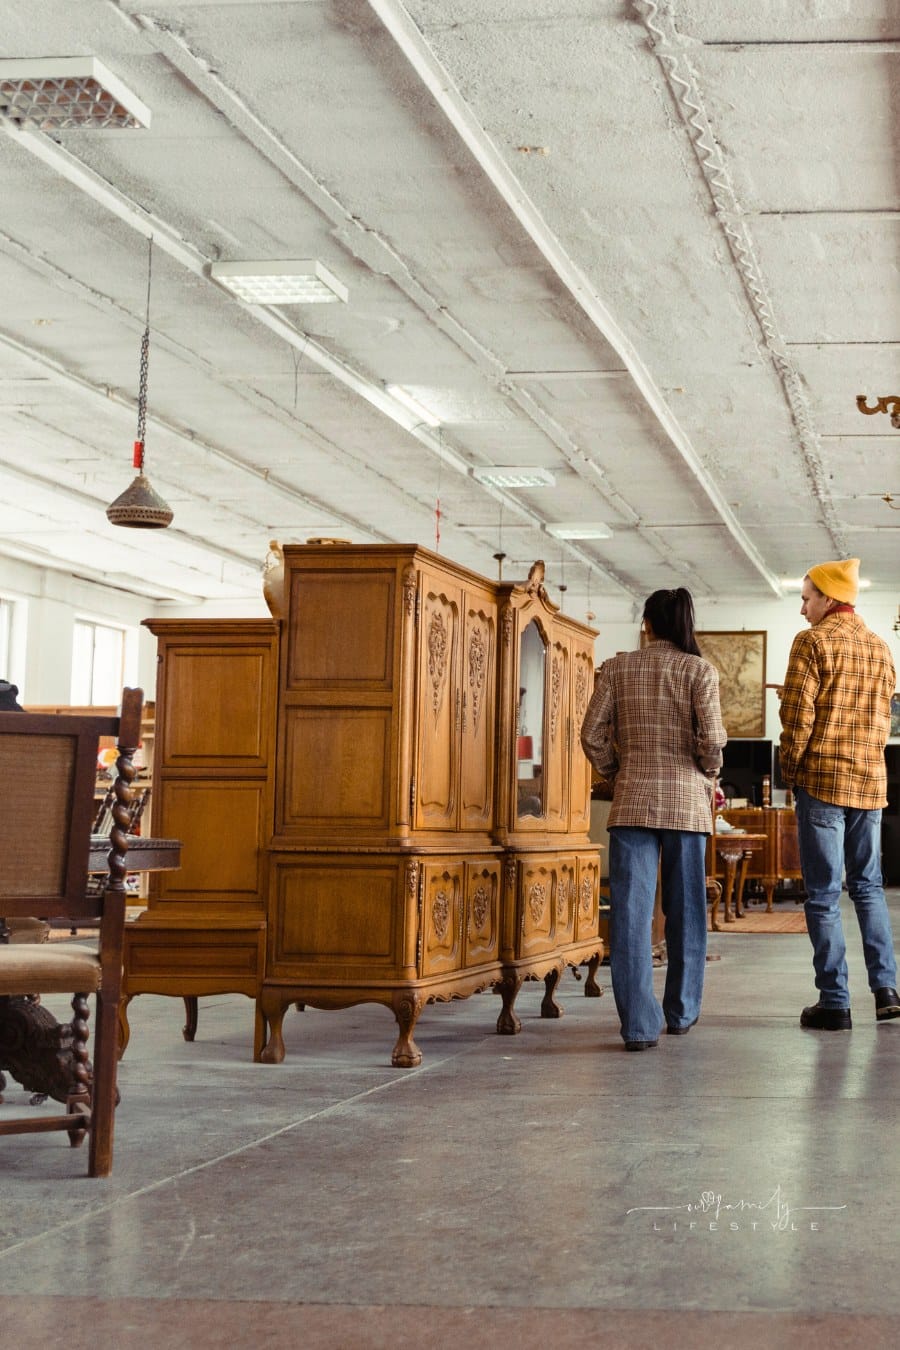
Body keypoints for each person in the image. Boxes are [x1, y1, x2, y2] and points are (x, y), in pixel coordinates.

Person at [581, 588, 726, 1050]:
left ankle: (639, 1028)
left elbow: (590, 734)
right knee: (686, 913)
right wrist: (705, 771)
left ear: (647, 624)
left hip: (632, 804)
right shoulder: (699, 670)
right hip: (686, 804)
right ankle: (680, 1013)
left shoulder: (618, 668)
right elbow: (714, 739)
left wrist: (616, 771)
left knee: (630, 915)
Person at [778, 557, 899, 1030]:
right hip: (870, 786)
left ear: (829, 598)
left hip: (823, 784)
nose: (802, 608)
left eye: (806, 598)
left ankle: (834, 1002)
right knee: (868, 888)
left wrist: (792, 771)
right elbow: (883, 722)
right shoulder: (880, 648)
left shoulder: (810, 643)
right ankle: (887, 990)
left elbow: (797, 718)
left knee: (824, 895)